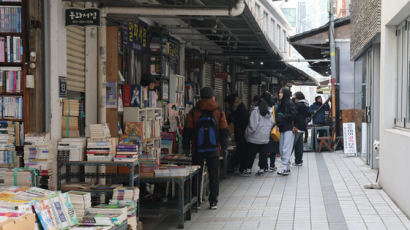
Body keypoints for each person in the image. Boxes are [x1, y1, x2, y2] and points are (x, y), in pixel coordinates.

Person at [183, 87, 229, 210]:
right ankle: (213, 201)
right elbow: (224, 131)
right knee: (214, 175)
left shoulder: (193, 112)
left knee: (196, 175)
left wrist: (186, 147)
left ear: (200, 97)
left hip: (197, 149)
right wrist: (224, 147)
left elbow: (187, 131)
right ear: (213, 97)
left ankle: (195, 201)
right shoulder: (219, 112)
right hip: (214, 150)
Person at [244, 95, 274, 176]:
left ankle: (248, 170)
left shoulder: (255, 111)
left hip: (254, 137)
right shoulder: (270, 112)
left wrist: (247, 133)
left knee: (251, 154)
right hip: (265, 137)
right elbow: (272, 123)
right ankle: (261, 170)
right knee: (263, 154)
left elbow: (252, 126)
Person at [224, 94, 249, 175]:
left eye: (227, 104)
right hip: (241, 134)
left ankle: (242, 169)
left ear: (230, 102)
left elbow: (231, 120)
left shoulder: (238, 109)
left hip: (242, 134)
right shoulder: (239, 107)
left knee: (241, 151)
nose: (226, 106)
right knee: (240, 150)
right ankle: (237, 167)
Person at [276, 88, 297, 176]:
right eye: (279, 92)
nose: (279, 94)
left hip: (289, 128)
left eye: (281, 93)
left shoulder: (289, 103)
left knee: (285, 148)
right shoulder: (281, 103)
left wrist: (283, 116)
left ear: (285, 94)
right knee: (282, 148)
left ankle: (284, 167)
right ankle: (286, 167)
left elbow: (294, 114)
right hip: (282, 128)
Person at [292, 92, 310, 166]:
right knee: (299, 144)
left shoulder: (298, 105)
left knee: (293, 144)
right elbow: (308, 114)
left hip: (297, 126)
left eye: (295, 97)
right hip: (303, 126)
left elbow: (294, 115)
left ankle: (287, 162)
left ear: (297, 98)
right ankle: (299, 161)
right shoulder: (305, 104)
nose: (294, 99)